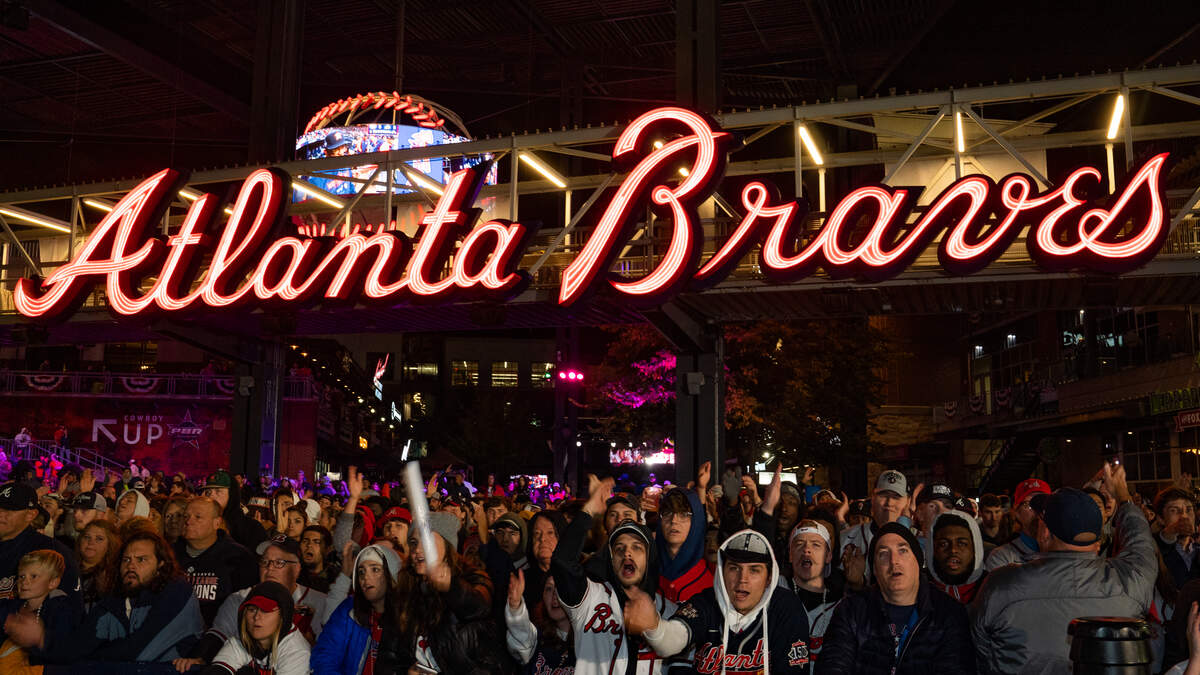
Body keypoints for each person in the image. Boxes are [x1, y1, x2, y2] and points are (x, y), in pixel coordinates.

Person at [971, 463, 1155, 674]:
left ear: (1045, 533)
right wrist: (1124, 498)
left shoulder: (1002, 583)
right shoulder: (1130, 580)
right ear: (1097, 541)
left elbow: (981, 649)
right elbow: (1141, 543)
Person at [628, 528, 813, 673]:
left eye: (754, 570)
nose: (743, 579)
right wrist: (654, 627)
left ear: (769, 577)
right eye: (734, 568)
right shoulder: (705, 602)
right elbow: (673, 639)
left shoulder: (787, 608)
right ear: (721, 571)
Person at [9, 530, 204, 664]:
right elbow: (77, 647)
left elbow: (141, 652)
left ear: (161, 564)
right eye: (126, 560)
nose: (131, 566)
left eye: (141, 560)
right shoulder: (115, 603)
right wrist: (41, 640)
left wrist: (93, 656)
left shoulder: (177, 591)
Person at [551, 474, 676, 674]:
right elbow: (562, 562)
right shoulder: (590, 599)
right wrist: (589, 510)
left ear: (649, 557)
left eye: (637, 547)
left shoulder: (670, 612)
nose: (627, 553)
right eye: (619, 549)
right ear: (611, 558)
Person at [817, 522, 974, 674]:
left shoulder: (949, 613)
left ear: (918, 562)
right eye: (883, 554)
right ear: (875, 570)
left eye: (903, 551)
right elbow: (833, 664)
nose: (894, 561)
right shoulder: (851, 610)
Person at [382, 510, 508, 673]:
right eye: (413, 542)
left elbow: (478, 606)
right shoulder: (403, 592)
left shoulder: (474, 578)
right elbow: (388, 658)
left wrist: (452, 587)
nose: (418, 550)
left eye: (427, 543)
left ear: (448, 547)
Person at [310, 543, 402, 675]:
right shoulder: (349, 609)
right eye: (361, 572)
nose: (365, 577)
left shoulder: (408, 616)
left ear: (392, 574)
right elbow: (325, 655)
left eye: (375, 569)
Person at [174, 496, 258, 625]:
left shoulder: (238, 557)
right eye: (186, 516)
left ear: (216, 523)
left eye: (198, 517)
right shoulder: (170, 555)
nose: (189, 521)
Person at [199, 581, 311, 675]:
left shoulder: (296, 651)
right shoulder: (242, 641)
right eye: (252, 609)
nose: (256, 617)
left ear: (283, 616)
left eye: (265, 610)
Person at [0, 550, 80, 670]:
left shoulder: (60, 610)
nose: (24, 582)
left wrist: (40, 638)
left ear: (52, 582)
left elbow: (64, 653)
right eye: (22, 576)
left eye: (33, 576)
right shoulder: (16, 606)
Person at [0, 481, 79, 602]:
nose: (0, 514)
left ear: (30, 515)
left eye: (9, 510)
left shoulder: (52, 552)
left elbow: (68, 611)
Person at [838, 470, 914, 591]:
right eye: (883, 495)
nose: (889, 503)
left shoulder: (920, 541)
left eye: (896, 497)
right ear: (872, 498)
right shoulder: (844, 538)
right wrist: (856, 584)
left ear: (908, 501)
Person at [788, 519, 845, 669]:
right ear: (790, 555)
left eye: (816, 544)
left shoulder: (843, 606)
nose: (806, 549)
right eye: (799, 544)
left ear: (828, 556)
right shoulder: (774, 592)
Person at [656, 464, 713, 603]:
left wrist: (701, 489)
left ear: (696, 522)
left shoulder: (713, 577)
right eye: (667, 513)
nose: (674, 520)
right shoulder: (645, 570)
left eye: (683, 514)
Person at [505, 570, 576, 674]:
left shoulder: (592, 639)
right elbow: (521, 636)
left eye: (561, 587)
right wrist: (516, 608)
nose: (554, 595)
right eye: (549, 589)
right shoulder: (536, 637)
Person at [983, 478, 1050, 571]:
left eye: (1044, 503)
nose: (1037, 511)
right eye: (1029, 505)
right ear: (1017, 512)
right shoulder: (1002, 557)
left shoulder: (1064, 549)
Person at [927, 510, 986, 604]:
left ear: (975, 548)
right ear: (932, 549)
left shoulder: (991, 586)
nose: (953, 550)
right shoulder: (919, 587)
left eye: (962, 543)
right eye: (943, 544)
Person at [204, 470, 267, 552]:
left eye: (218, 491)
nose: (211, 496)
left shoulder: (251, 528)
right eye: (208, 492)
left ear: (232, 494)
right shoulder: (200, 523)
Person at [1155, 487, 1199, 591]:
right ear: (1160, 519)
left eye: (1189, 510)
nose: (1184, 516)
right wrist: (1171, 532)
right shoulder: (1151, 548)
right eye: (1174, 510)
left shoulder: (1197, 550)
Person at [76, 519, 121, 611]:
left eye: (99, 539)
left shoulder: (114, 577)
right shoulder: (66, 567)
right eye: (87, 537)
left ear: (110, 544)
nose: (91, 542)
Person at [299, 524, 338, 593]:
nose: (309, 545)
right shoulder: (292, 574)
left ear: (327, 549)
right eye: (305, 541)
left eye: (316, 542)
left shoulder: (337, 579)